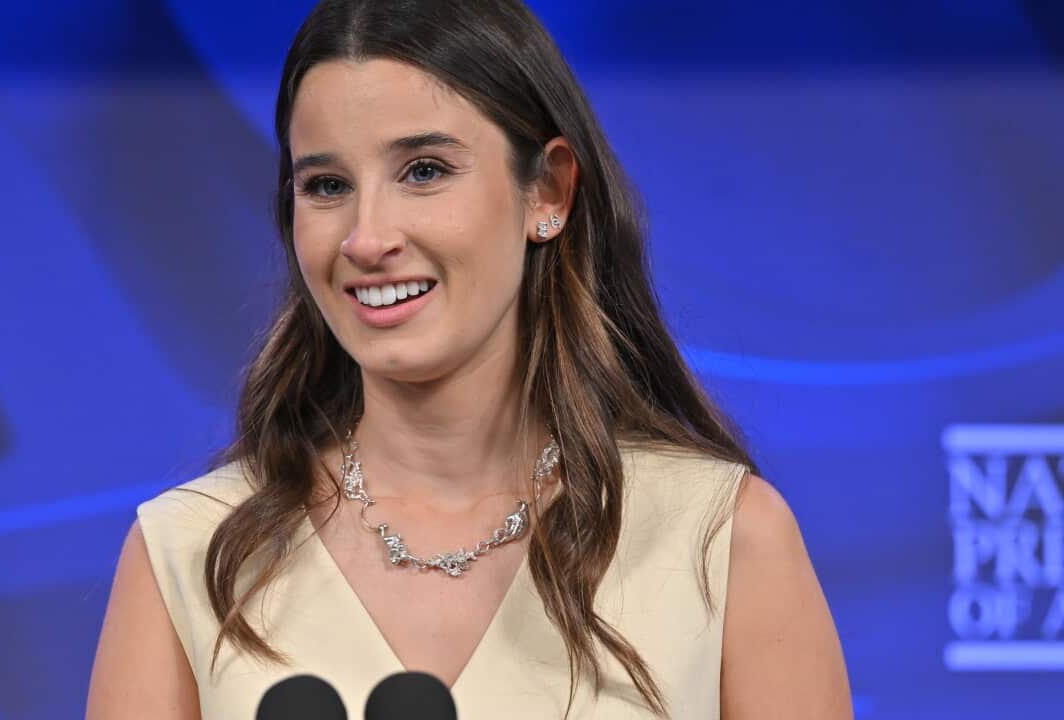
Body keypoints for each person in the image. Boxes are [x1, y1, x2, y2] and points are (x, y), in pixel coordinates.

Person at [86, 1, 852, 718]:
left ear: (547, 191)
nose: (366, 237)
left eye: (423, 171)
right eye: (326, 186)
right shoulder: (191, 552)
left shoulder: (721, 537)